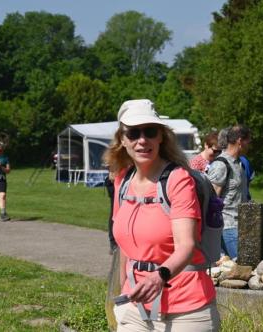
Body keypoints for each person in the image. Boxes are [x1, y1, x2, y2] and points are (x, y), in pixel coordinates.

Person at [103, 99, 219, 331]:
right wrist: (123, 293)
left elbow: (186, 245)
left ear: (161, 137)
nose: (142, 140)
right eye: (133, 133)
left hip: (187, 309)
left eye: (150, 131)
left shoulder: (178, 179)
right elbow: (124, 244)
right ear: (122, 140)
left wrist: (159, 276)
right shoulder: (122, 181)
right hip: (135, 306)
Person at [208, 125, 252, 260]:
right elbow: (212, 201)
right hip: (227, 227)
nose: (250, 145)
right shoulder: (221, 165)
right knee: (240, 267)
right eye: (248, 141)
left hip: (242, 225)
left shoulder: (240, 164)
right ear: (240, 141)